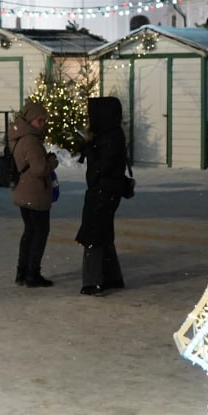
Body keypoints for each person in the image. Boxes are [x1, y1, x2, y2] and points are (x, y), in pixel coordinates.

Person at [76, 96, 128, 296]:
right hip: (107, 191)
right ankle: (112, 278)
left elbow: (102, 168)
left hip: (102, 191)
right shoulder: (111, 134)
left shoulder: (109, 138)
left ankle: (93, 281)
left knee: (94, 234)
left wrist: (90, 150)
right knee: (103, 233)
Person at [10, 101, 59, 288]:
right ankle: (32, 274)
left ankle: (22, 272)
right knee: (40, 232)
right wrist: (52, 161)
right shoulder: (30, 140)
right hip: (35, 192)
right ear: (30, 120)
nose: (43, 124)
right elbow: (40, 169)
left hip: (24, 191)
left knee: (29, 232)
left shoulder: (19, 136)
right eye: (40, 120)